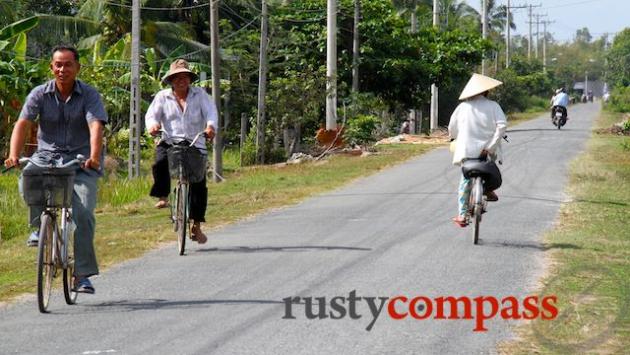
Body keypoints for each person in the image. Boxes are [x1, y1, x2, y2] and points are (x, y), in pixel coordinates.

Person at [4, 45, 107, 293]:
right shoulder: (39, 94)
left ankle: (81, 274)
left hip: (80, 161)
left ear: (77, 67)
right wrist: (13, 155)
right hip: (46, 157)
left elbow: (95, 126)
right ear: (51, 67)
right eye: (58, 65)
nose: (62, 69)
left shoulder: (89, 95)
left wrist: (93, 157)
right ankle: (39, 228)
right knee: (27, 177)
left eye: (68, 64)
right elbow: (22, 123)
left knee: (83, 215)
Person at [145, 58, 217, 244]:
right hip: (169, 139)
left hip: (194, 142)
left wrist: (210, 127)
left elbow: (211, 112)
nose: (181, 80)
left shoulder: (199, 95)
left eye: (185, 77)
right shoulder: (162, 97)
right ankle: (163, 196)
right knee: (160, 161)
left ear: (190, 79)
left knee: (199, 183)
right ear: (171, 80)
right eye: (177, 77)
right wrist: (153, 126)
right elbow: (151, 115)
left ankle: (196, 226)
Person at [448, 74, 507, 227]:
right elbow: (502, 126)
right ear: (486, 92)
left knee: (465, 180)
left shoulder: (462, 108)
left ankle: (462, 215)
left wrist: (454, 137)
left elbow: (452, 128)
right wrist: (490, 146)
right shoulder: (494, 106)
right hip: (487, 152)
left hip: (467, 152)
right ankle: (487, 189)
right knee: (490, 169)